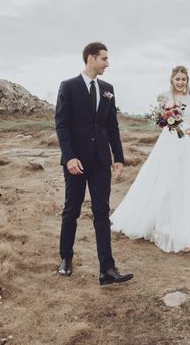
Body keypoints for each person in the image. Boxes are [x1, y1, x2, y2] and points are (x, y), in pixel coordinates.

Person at [110, 65, 190, 253]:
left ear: (187, 81)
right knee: (165, 178)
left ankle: (183, 220)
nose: (180, 82)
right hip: (169, 141)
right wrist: (170, 120)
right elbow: (162, 119)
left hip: (186, 142)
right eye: (177, 79)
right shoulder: (165, 97)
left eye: (183, 79)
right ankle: (161, 223)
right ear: (172, 80)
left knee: (185, 179)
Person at [55, 41, 133, 285]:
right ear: (91, 58)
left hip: (100, 161)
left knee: (101, 212)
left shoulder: (108, 89)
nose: (107, 64)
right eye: (104, 59)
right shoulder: (68, 87)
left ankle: (107, 270)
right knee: (72, 210)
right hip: (75, 162)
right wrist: (69, 157)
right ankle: (66, 259)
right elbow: (62, 125)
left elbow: (112, 126)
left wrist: (118, 158)